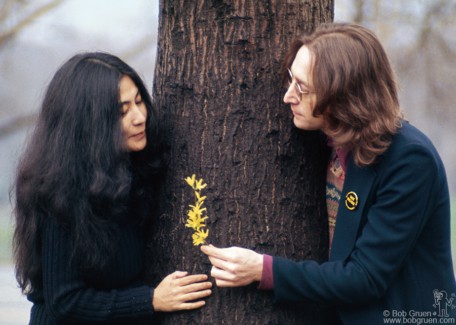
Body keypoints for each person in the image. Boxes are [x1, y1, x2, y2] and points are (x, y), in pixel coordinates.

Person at [201, 23, 456, 324]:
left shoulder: (410, 161)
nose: (288, 96)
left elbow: (365, 278)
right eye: (290, 80)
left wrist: (263, 269)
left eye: (302, 88)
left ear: (344, 96)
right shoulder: (328, 139)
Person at [13, 52, 212, 325]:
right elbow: (66, 300)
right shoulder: (60, 191)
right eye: (122, 111)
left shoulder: (135, 169)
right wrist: (151, 300)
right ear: (90, 123)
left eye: (139, 102)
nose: (139, 117)